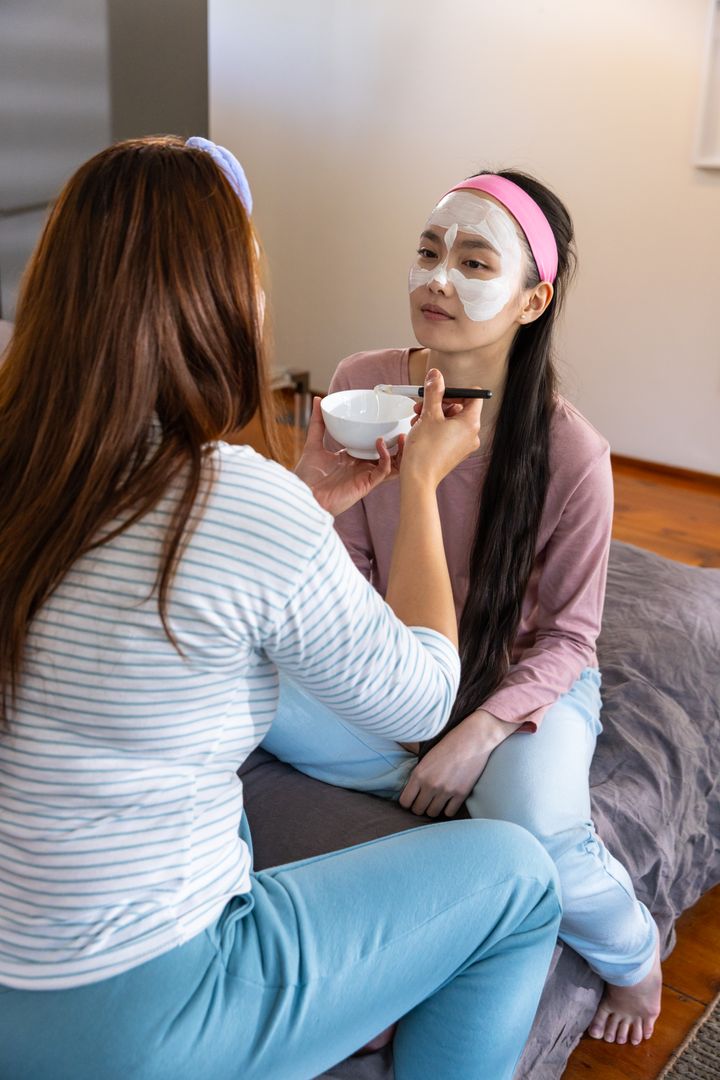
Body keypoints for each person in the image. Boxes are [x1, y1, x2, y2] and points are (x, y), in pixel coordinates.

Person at [0, 137, 562, 1080]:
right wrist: (416, 486)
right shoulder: (229, 498)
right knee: (520, 877)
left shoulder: (32, 465)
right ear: (218, 302)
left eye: (473, 262)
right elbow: (424, 698)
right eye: (252, 274)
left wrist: (301, 503)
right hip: (139, 1018)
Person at [263, 170, 663, 1047]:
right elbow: (346, 565)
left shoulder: (572, 450)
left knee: (528, 826)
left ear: (531, 300)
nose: (438, 279)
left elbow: (567, 638)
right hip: (392, 654)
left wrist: (472, 735)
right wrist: (396, 696)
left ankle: (635, 955)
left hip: (524, 687)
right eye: (427, 252)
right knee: (246, 689)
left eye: (474, 260)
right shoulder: (362, 386)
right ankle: (427, 778)